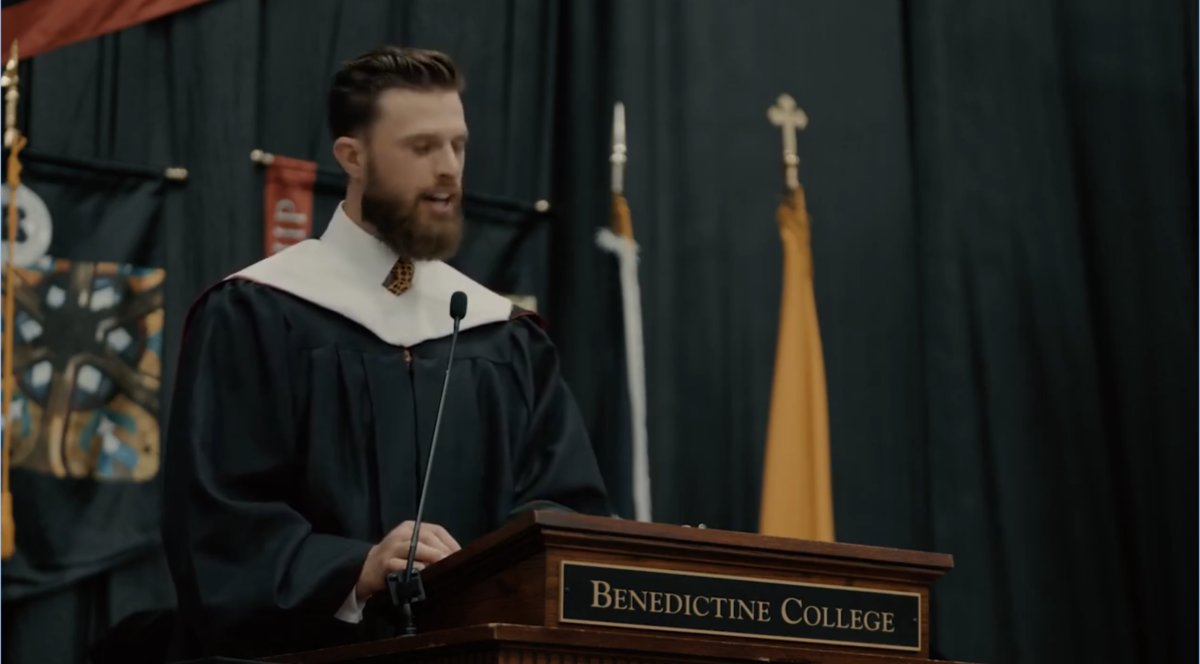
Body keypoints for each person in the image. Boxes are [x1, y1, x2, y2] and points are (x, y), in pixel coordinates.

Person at [160, 46, 612, 660]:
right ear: (354, 156)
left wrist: (485, 571)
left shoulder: (501, 334)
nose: (450, 168)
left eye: (458, 145)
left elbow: (565, 516)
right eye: (422, 148)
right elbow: (219, 524)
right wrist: (355, 569)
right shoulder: (258, 312)